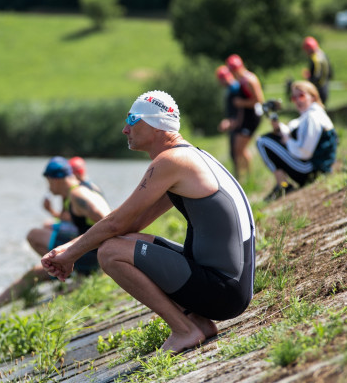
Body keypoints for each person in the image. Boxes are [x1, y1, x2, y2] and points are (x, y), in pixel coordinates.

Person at [42, 90, 256, 354]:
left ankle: (184, 330)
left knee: (110, 252)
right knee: (123, 242)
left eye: (132, 119)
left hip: (224, 291)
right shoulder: (188, 158)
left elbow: (115, 223)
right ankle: (198, 321)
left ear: (155, 124)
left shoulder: (170, 161)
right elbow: (130, 224)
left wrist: (71, 254)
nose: (124, 129)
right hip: (228, 288)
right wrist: (69, 248)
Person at [0, 157, 111, 318]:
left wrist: (104, 258)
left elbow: (107, 220)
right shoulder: (78, 191)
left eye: (48, 181)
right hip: (92, 254)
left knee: (34, 243)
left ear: (55, 179)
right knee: (35, 272)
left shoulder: (78, 195)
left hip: (95, 257)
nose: (48, 187)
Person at [256, 81, 337, 201]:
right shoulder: (310, 114)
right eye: (294, 97)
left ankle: (282, 185)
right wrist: (278, 128)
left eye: (301, 96)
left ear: (313, 96)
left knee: (262, 141)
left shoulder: (313, 117)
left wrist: (287, 141)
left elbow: (305, 152)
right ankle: (282, 185)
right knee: (270, 138)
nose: (298, 100)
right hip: (315, 168)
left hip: (311, 170)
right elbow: (291, 128)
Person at [225, 54, 265, 181]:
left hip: (252, 117)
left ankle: (249, 176)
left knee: (240, 148)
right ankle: (243, 176)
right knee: (238, 149)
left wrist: (241, 103)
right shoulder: (241, 80)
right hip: (246, 117)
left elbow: (259, 100)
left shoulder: (249, 80)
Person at [215, 65, 244, 176]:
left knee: (237, 151)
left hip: (236, 123)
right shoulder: (230, 88)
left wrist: (236, 121)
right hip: (233, 122)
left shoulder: (234, 88)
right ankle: (240, 175)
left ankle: (241, 175)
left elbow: (240, 107)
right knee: (236, 151)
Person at [302, 36, 332, 104]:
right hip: (325, 86)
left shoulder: (315, 58)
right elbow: (330, 72)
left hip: (318, 89)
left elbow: (316, 76)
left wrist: (309, 80)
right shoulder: (322, 54)